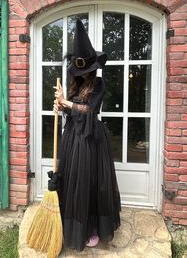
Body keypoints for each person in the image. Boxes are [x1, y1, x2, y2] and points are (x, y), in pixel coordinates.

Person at [53, 19, 121, 252]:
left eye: (86, 70)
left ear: (93, 67)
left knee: (89, 182)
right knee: (73, 180)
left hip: (91, 139)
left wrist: (67, 103)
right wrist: (60, 106)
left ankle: (91, 228)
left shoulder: (99, 84)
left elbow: (89, 110)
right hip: (74, 138)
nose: (83, 74)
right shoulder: (74, 85)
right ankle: (73, 227)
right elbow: (72, 111)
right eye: (80, 71)